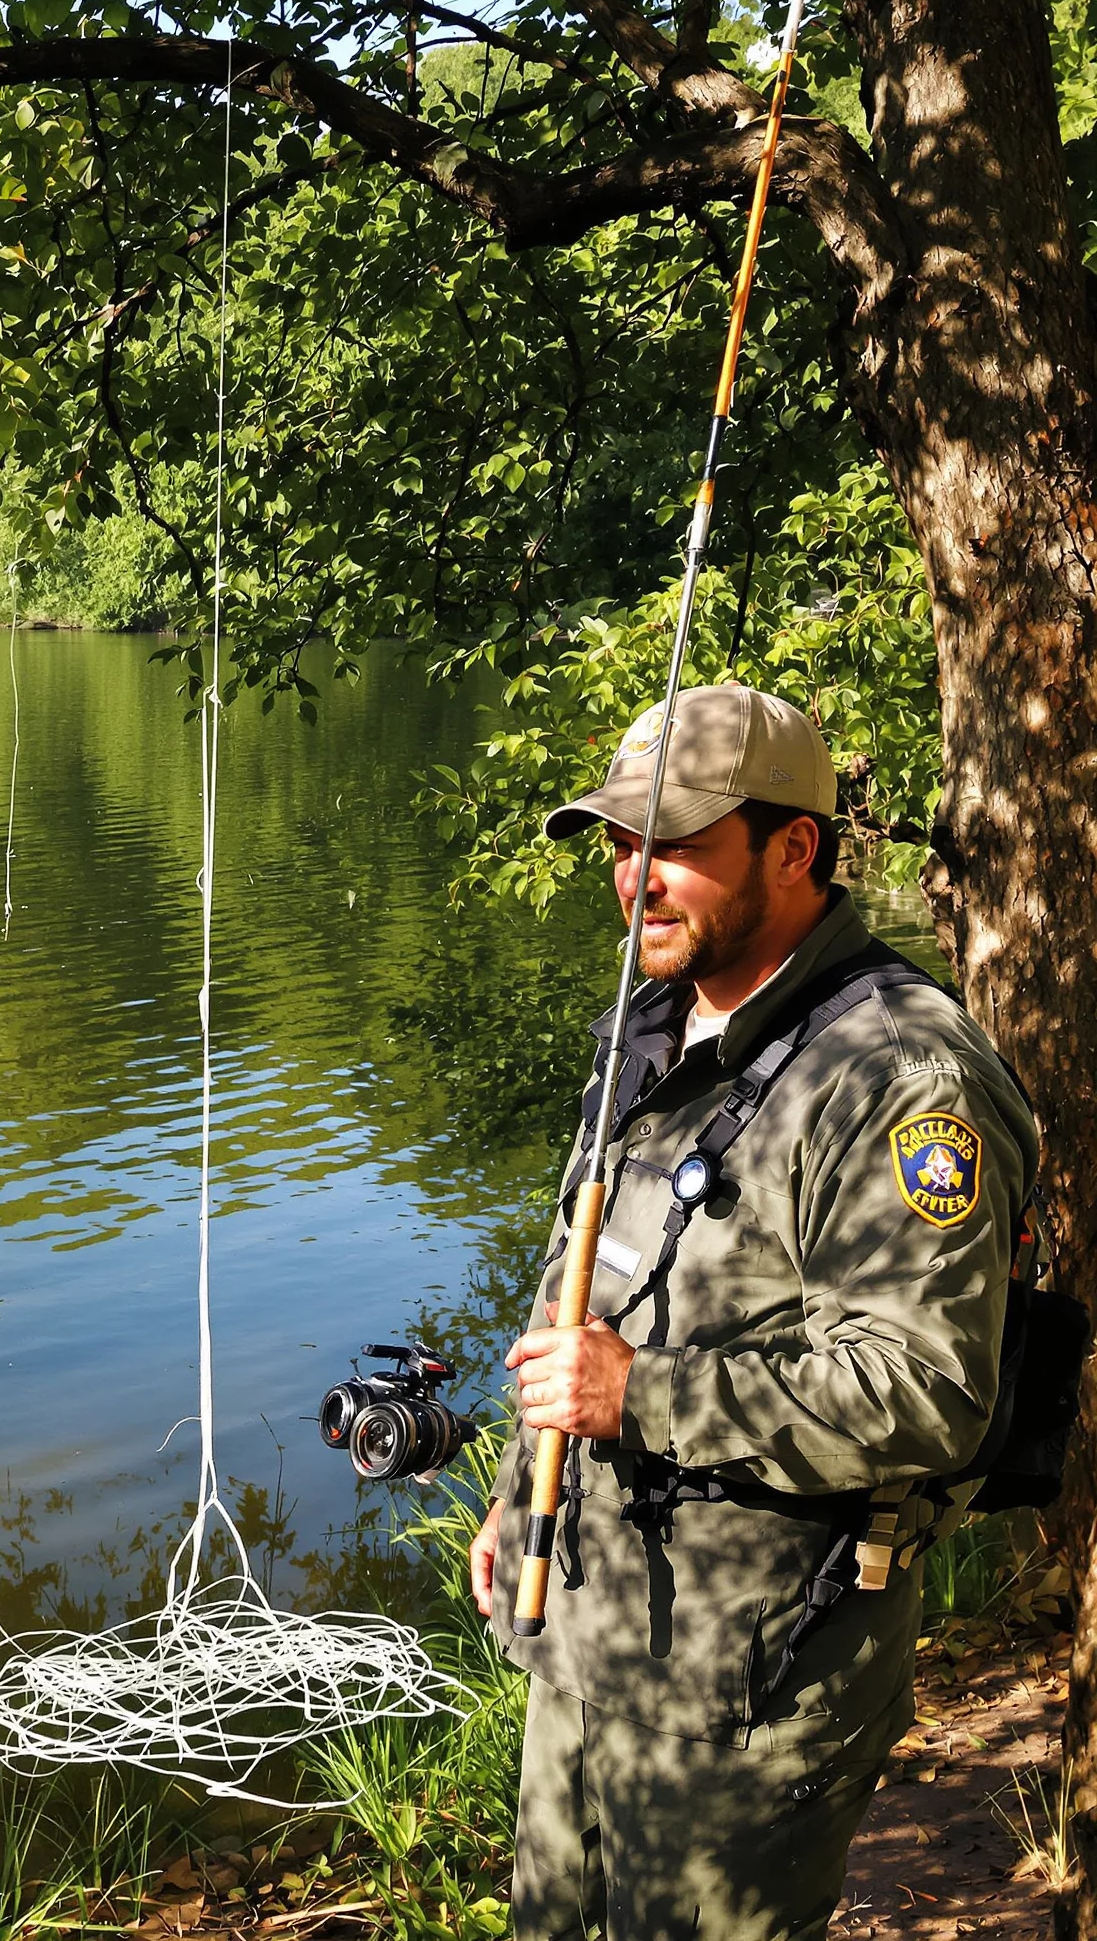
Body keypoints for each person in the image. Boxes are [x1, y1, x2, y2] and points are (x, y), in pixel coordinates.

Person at [466, 683, 1037, 1940]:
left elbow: (927, 1390)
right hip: (587, 1627)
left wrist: (640, 1393)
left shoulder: (897, 1077)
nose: (636, 878)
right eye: (620, 842)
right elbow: (584, 1283)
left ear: (793, 848)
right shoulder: (653, 1024)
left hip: (750, 1680)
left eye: (673, 841)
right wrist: (518, 1490)